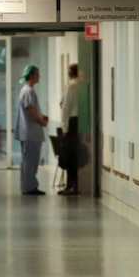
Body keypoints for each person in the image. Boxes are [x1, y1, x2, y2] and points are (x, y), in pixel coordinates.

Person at [14, 64, 49, 195]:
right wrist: (41, 120)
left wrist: (40, 116)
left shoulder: (26, 90)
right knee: (30, 161)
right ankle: (29, 187)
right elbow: (30, 110)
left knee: (27, 160)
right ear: (32, 75)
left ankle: (27, 186)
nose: (39, 76)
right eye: (37, 74)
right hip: (30, 132)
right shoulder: (28, 91)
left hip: (28, 132)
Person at [59, 63, 80, 196]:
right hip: (79, 122)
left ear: (71, 73)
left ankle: (71, 185)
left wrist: (64, 127)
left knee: (70, 155)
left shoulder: (71, 86)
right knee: (76, 155)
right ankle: (74, 184)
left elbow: (65, 108)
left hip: (72, 123)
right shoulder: (81, 85)